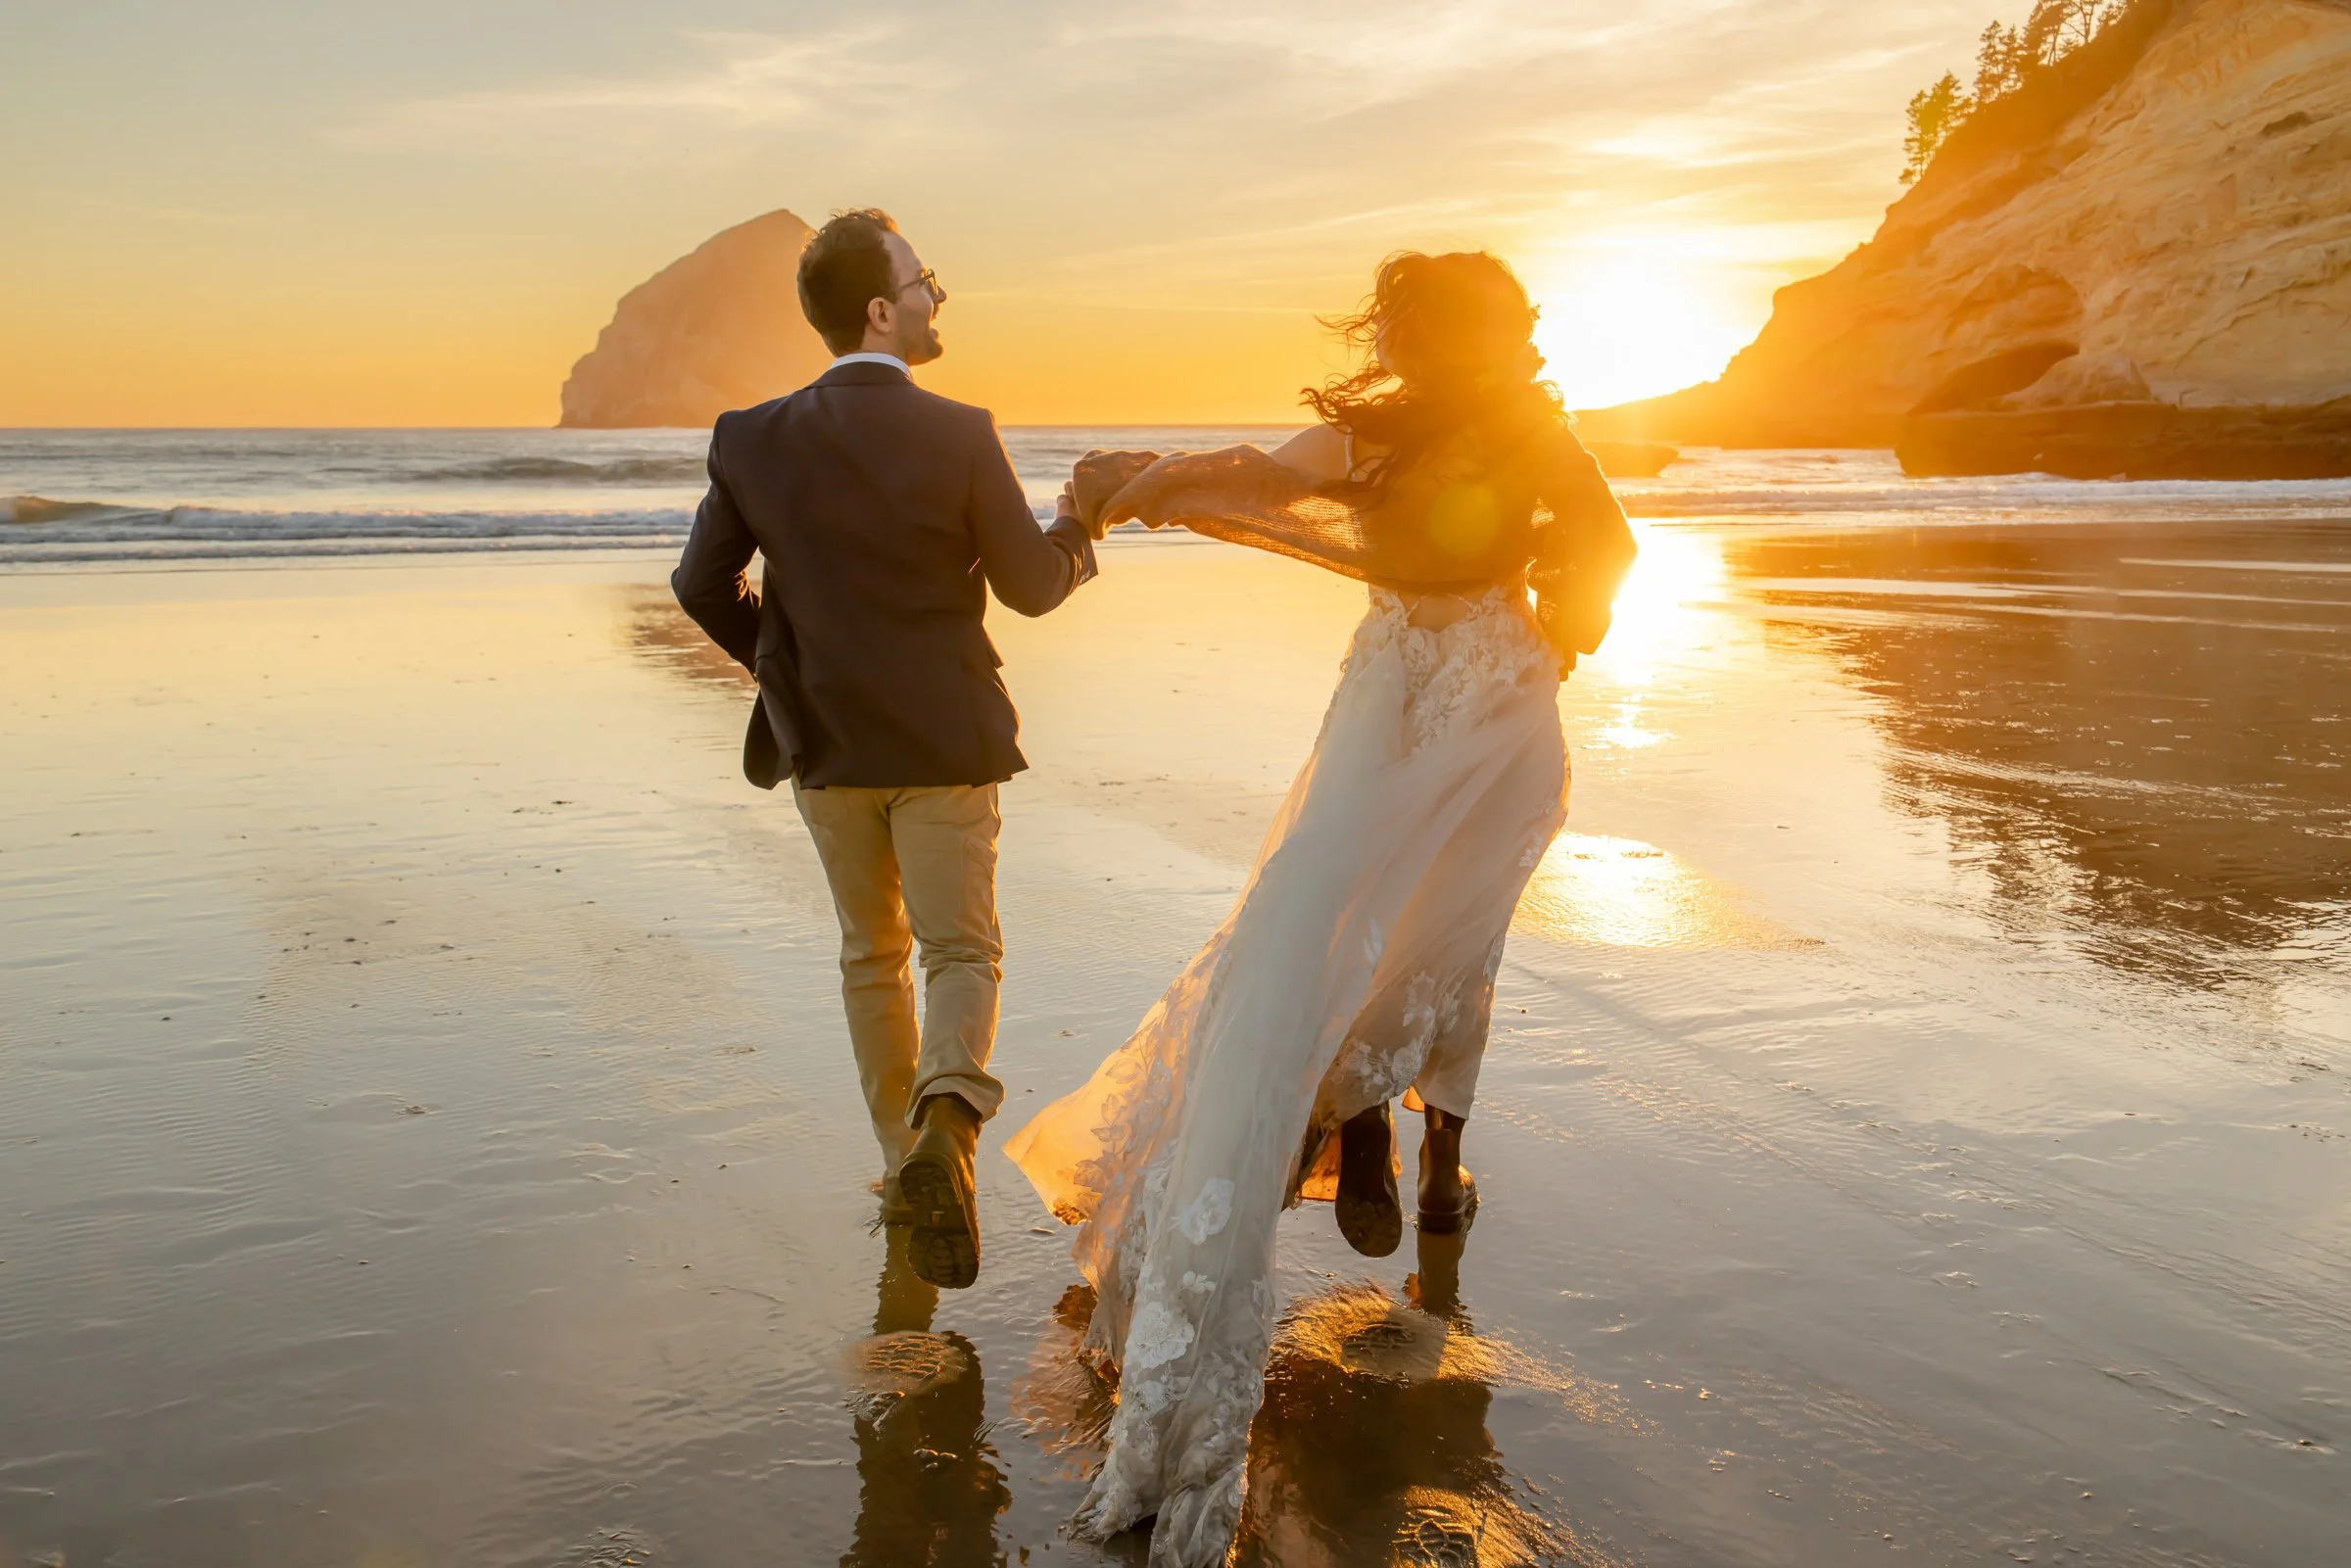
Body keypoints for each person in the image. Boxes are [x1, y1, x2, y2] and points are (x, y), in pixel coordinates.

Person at [1003, 251, 1635, 1565]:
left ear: (1407, 335)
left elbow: (1258, 471)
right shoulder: (1520, 430)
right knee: (1433, 941)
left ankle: (1356, 1118)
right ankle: (1372, 1124)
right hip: (1484, 703)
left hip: (1419, 698)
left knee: (1319, 928)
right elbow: (1605, 545)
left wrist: (1137, 487)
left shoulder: (1385, 434)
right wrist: (1561, 635)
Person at [671, 208, 1099, 1291]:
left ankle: (904, 1166)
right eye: (923, 280)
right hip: (945, 739)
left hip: (825, 745)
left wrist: (786, 666)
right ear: (879, 306)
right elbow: (1033, 589)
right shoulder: (959, 429)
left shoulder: (748, 434)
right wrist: (1081, 524)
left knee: (873, 954)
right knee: (961, 952)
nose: (935, 296)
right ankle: (946, 1139)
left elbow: (697, 585)